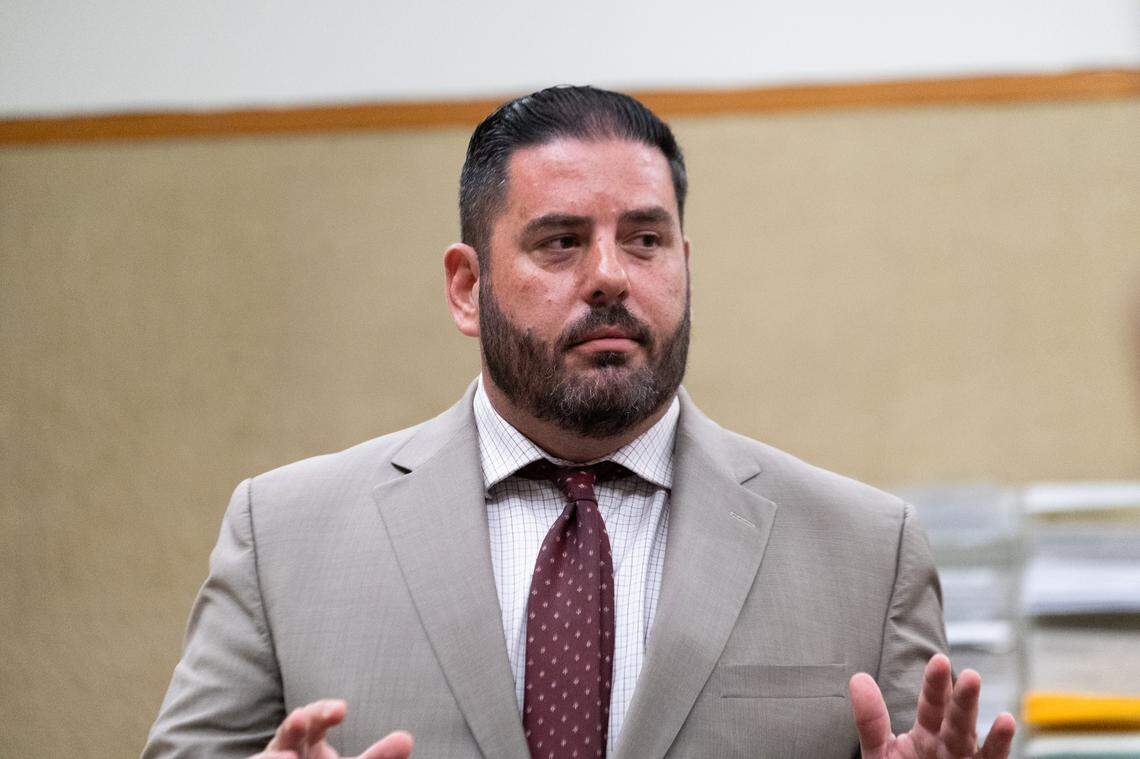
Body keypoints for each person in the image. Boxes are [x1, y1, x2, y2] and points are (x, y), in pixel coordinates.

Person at [143, 86, 1016, 759]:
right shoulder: (285, 534)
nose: (608, 276)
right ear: (466, 285)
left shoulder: (866, 551)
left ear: (684, 264)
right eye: (559, 242)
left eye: (645, 240)